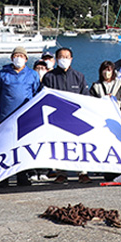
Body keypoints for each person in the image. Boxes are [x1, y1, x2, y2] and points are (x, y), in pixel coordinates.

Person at [0, 46, 40, 187]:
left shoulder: (33, 74)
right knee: (4, 146)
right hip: (5, 117)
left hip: (25, 118)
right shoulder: (2, 74)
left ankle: (22, 176)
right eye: (16, 55)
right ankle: (2, 178)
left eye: (21, 56)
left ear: (26, 59)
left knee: (23, 147)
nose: (18, 58)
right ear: (12, 58)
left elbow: (37, 94)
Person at [40, 47, 90, 182]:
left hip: (75, 117)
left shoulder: (79, 76)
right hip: (57, 117)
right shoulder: (49, 77)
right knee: (59, 146)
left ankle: (82, 172)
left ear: (71, 59)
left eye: (67, 57)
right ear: (56, 59)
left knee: (79, 145)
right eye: (61, 57)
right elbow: (43, 97)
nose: (64, 60)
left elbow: (86, 98)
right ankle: (62, 173)